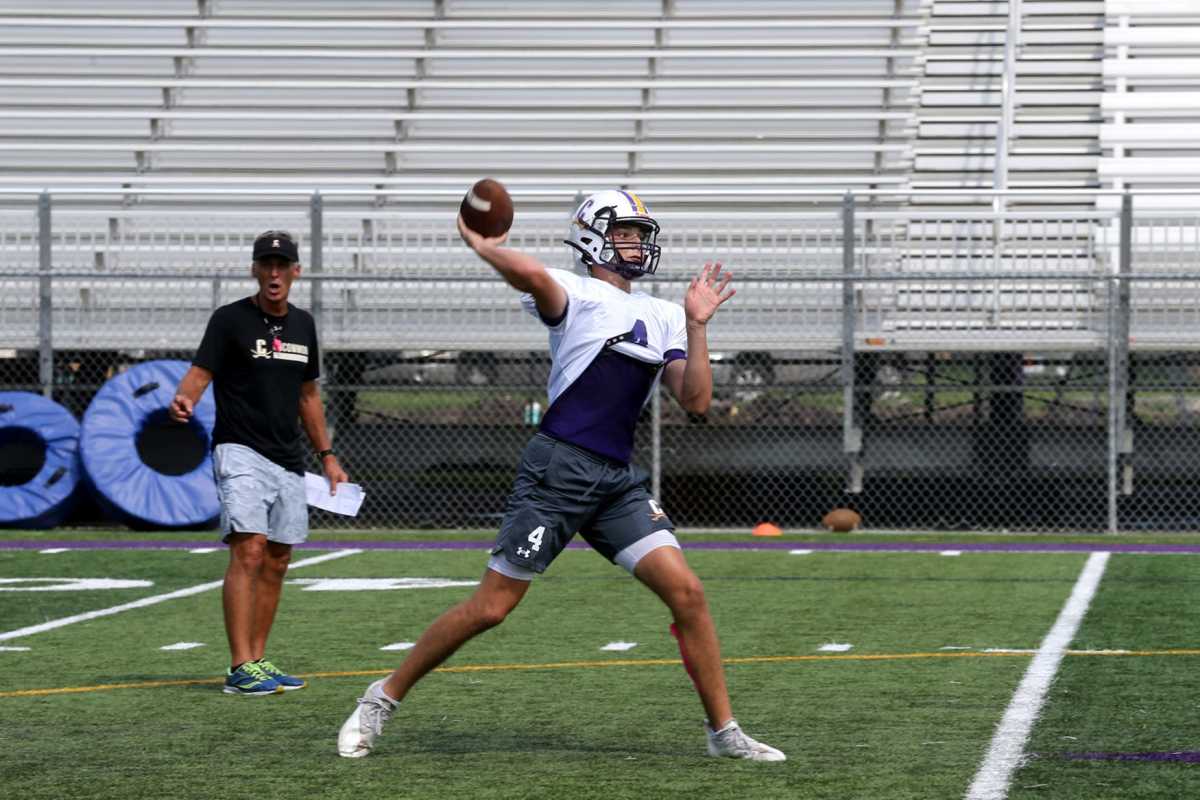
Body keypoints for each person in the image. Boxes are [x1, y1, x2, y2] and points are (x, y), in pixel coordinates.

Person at [337, 191, 784, 761]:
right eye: (625, 233)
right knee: (492, 607)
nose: (638, 244)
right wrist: (486, 248)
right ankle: (381, 697)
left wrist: (697, 325)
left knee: (688, 593)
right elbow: (531, 275)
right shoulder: (576, 292)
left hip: (615, 480)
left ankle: (724, 732)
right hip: (559, 469)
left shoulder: (667, 314)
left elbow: (695, 401)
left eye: (641, 234)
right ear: (593, 236)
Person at [169, 229, 348, 696]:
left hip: (288, 457)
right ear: (254, 269)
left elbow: (308, 396)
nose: (273, 272)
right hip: (240, 449)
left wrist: (327, 456)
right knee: (249, 549)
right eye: (266, 264)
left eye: (281, 265)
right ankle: (238, 665)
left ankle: (258, 658)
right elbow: (201, 372)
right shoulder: (230, 319)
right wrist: (186, 398)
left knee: (278, 559)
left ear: (296, 272)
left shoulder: (303, 324)